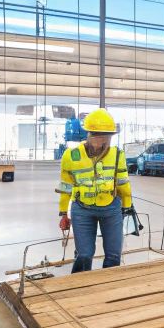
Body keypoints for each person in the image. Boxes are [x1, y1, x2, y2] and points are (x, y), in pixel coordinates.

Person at [56, 109, 136, 273]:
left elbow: (123, 183)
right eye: (98, 135)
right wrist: (64, 213)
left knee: (114, 255)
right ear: (89, 134)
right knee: (84, 254)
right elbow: (65, 186)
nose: (103, 139)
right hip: (82, 209)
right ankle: (80, 283)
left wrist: (127, 206)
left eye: (107, 136)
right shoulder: (71, 155)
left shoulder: (117, 154)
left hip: (111, 208)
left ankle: (108, 284)